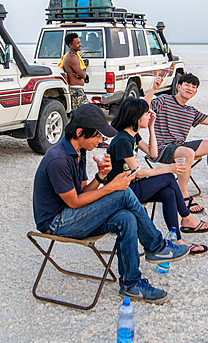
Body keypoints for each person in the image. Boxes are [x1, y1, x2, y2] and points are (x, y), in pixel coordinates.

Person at [32, 104, 190, 304]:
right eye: (97, 136)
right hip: (57, 222)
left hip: (73, 215)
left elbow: (82, 192)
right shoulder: (58, 159)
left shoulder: (78, 152)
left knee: (127, 218)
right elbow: (74, 202)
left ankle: (131, 284)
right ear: (80, 132)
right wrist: (110, 186)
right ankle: (156, 246)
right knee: (122, 193)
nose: (101, 141)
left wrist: (100, 177)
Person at [108, 99, 208, 253]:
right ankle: (187, 217)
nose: (150, 115)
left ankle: (178, 239)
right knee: (168, 177)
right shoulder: (122, 140)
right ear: (135, 117)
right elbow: (138, 173)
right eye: (146, 114)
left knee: (168, 193)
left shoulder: (132, 136)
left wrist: (151, 128)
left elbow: (153, 153)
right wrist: (169, 169)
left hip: (130, 187)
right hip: (121, 192)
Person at [144, 72, 208, 202]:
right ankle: (182, 195)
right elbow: (143, 107)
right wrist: (154, 88)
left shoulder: (191, 111)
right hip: (161, 148)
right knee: (188, 152)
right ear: (179, 87)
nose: (190, 88)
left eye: (194, 86)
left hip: (179, 147)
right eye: (187, 84)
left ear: (195, 92)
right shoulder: (164, 100)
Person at [62, 32, 87, 112]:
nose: (80, 45)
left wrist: (81, 73)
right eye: (77, 43)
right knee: (82, 113)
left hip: (79, 89)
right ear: (70, 45)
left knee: (83, 113)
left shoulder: (75, 56)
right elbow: (83, 75)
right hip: (75, 90)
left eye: (79, 42)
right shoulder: (71, 58)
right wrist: (82, 74)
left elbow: (82, 73)